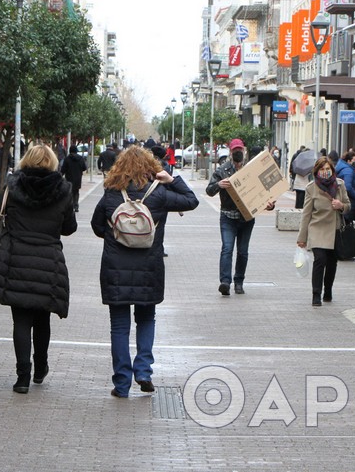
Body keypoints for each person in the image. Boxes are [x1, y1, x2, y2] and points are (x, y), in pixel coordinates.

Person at [91, 146, 198, 398]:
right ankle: (143, 371)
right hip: (149, 268)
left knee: (119, 326)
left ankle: (121, 383)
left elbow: (97, 226)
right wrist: (171, 179)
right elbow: (191, 200)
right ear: (150, 167)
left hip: (115, 269)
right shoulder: (159, 194)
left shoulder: (111, 194)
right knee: (146, 319)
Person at [0, 145, 76, 394]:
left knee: (20, 319)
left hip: (16, 259)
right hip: (48, 260)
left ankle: (22, 376)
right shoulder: (63, 190)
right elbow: (69, 227)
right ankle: (41, 366)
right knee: (42, 317)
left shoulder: (12, 187)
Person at [207, 138, 275, 296]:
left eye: (240, 149)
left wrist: (269, 204)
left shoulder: (252, 169)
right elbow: (209, 190)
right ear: (230, 152)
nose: (238, 152)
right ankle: (225, 282)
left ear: (244, 150)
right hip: (228, 217)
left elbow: (264, 192)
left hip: (247, 218)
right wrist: (219, 185)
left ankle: (239, 282)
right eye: (234, 150)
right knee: (227, 249)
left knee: (243, 251)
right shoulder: (222, 170)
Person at [297, 157, 351, 306]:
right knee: (320, 260)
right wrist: (302, 237)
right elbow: (306, 214)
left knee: (332, 263)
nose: (325, 172)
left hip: (335, 229)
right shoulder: (311, 188)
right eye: (322, 169)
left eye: (328, 169)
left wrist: (341, 205)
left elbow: (348, 205)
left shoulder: (340, 185)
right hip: (317, 229)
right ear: (317, 171)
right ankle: (316, 294)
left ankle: (328, 290)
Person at [334, 151, 355, 222]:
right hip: (350, 200)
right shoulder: (348, 170)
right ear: (348, 161)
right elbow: (348, 187)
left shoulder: (342, 167)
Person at [60, 145, 87, 212]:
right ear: (76, 150)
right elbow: (84, 168)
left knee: (70, 192)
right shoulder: (81, 158)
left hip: (69, 178)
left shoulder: (67, 159)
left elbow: (63, 169)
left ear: (70, 150)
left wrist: (60, 175)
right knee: (76, 192)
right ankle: (76, 206)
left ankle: (70, 206)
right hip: (78, 178)